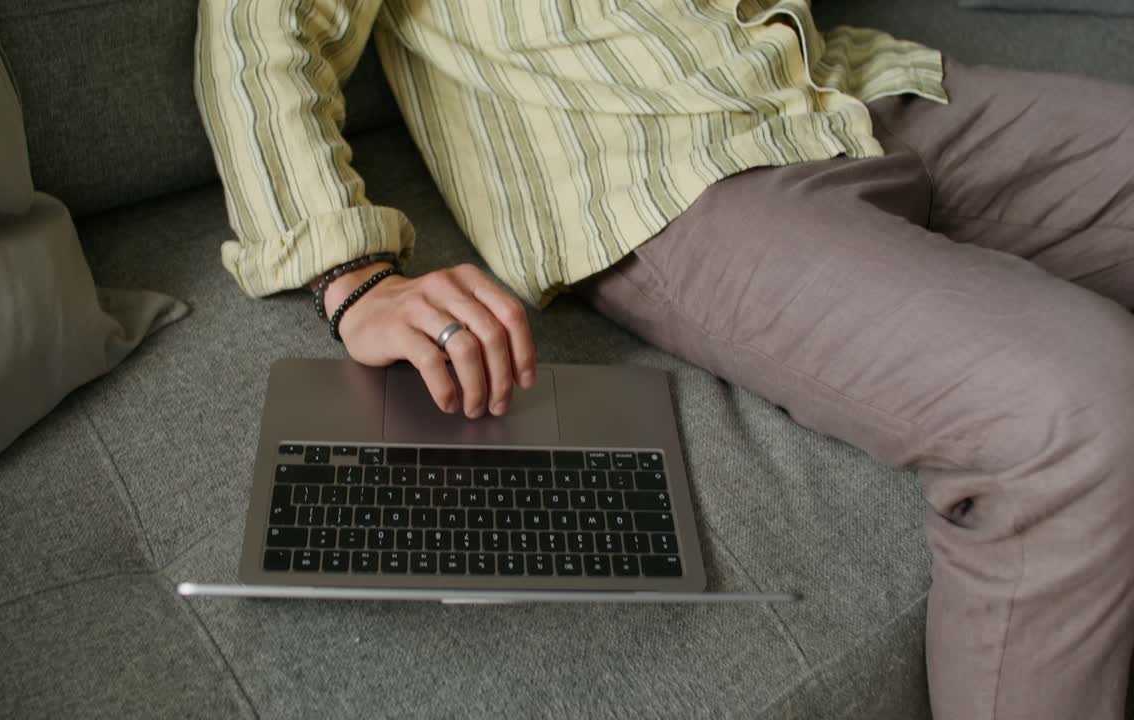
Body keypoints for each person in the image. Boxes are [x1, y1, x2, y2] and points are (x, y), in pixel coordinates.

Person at [193, 1, 1133, 716]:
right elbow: (254, 30)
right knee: (1077, 415)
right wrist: (350, 272)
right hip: (674, 178)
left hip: (855, 84)